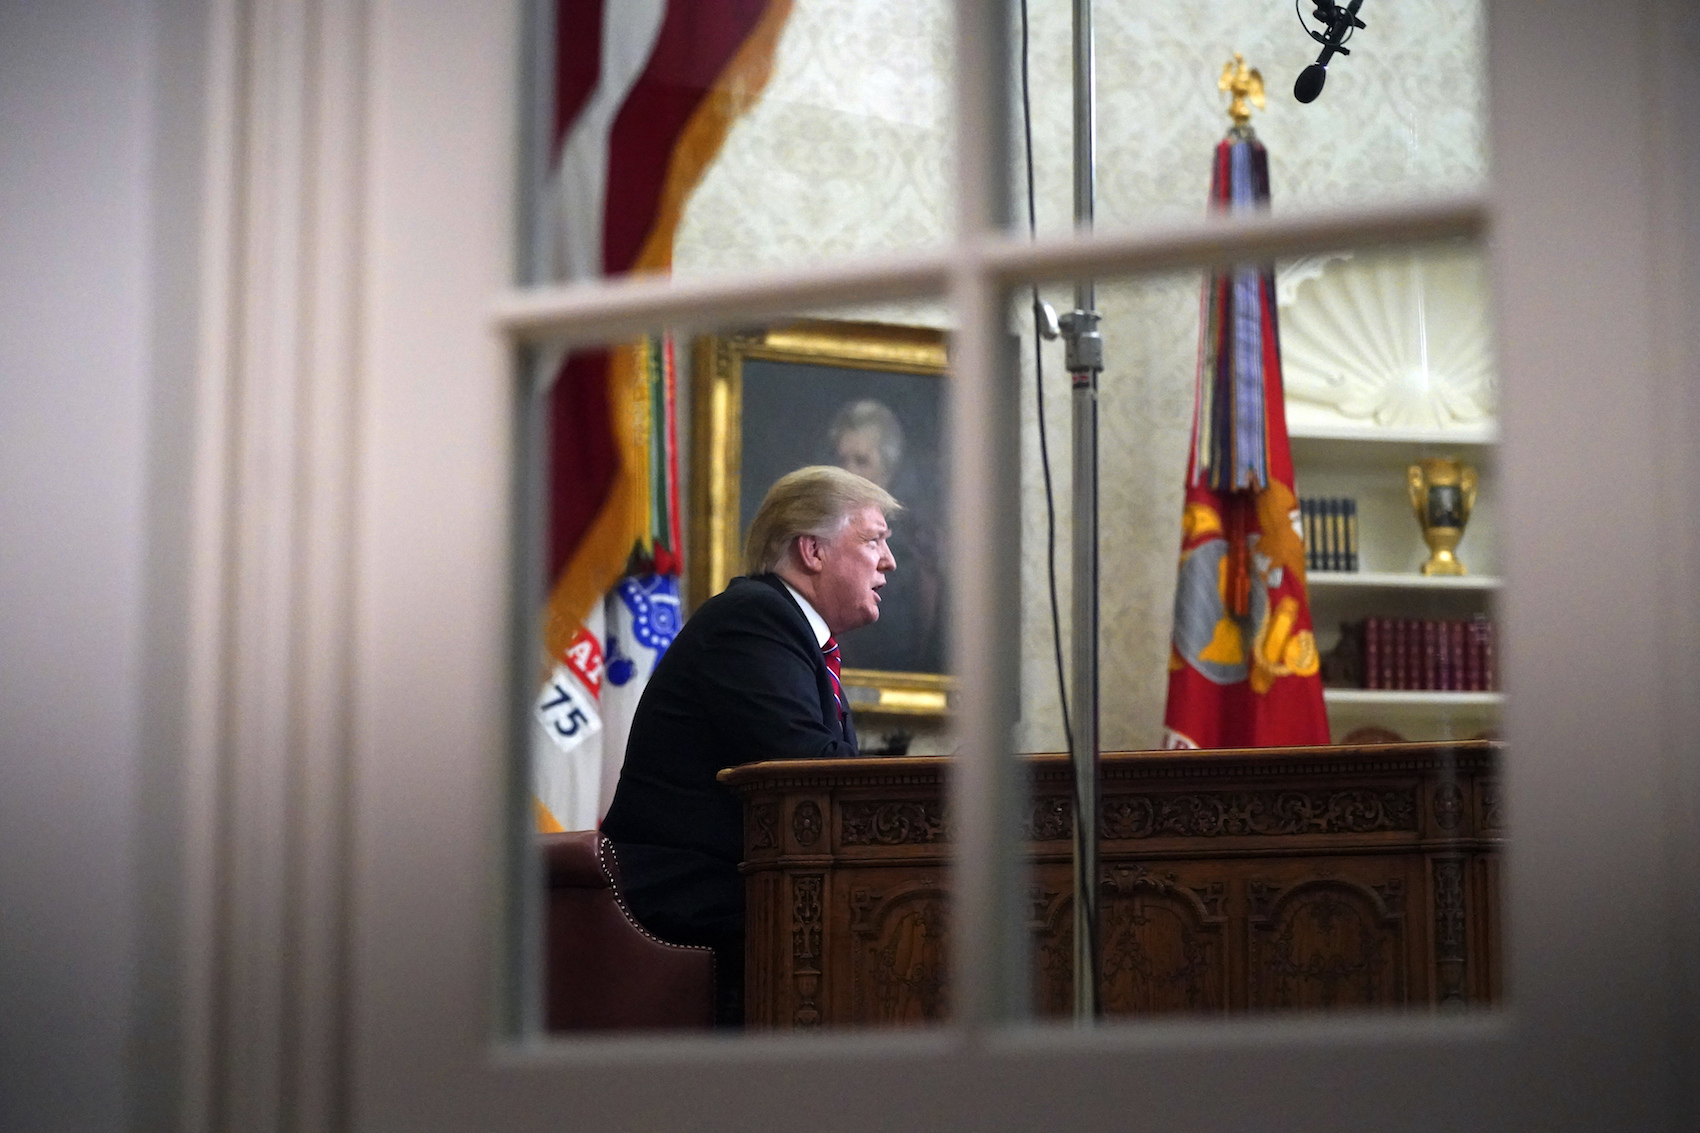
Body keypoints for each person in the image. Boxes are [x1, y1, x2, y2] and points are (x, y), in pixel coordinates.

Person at [601, 465, 899, 1024]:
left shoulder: (794, 634)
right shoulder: (753, 618)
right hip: (693, 895)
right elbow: (809, 772)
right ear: (812, 550)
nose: (889, 561)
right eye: (874, 540)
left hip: (750, 886)